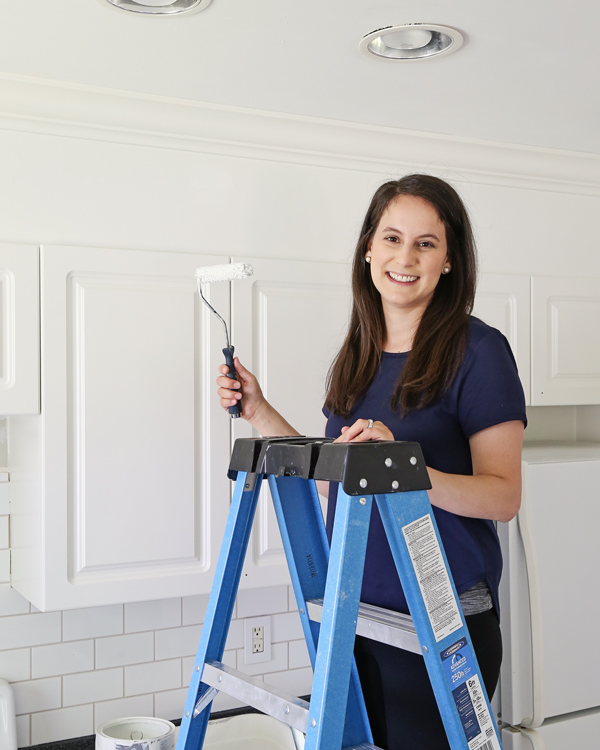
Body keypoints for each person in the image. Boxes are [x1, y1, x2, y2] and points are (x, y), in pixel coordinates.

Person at [215, 174, 526, 749]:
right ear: (368, 249)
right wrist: (260, 411)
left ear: (449, 261)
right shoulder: (358, 353)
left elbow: (504, 496)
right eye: (391, 238)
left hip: (443, 621)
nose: (404, 257)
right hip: (356, 614)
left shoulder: (479, 351)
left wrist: (407, 470)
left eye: (426, 243)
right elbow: (340, 479)